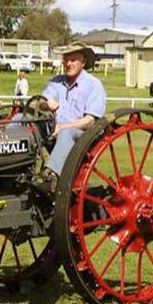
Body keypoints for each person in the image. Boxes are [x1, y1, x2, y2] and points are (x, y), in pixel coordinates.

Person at [33, 42, 106, 194]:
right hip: (54, 129)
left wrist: (63, 127)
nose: (68, 63)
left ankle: (50, 177)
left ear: (83, 61)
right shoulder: (56, 82)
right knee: (24, 119)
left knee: (67, 132)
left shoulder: (93, 85)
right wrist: (46, 103)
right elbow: (40, 103)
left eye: (73, 60)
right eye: (66, 59)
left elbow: (90, 120)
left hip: (81, 136)